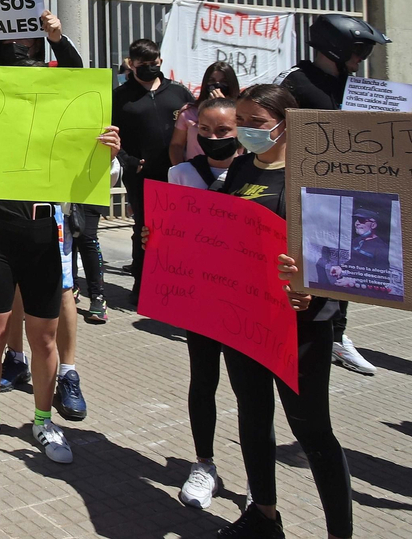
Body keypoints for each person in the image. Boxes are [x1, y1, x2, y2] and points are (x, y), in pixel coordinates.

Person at [0, 11, 121, 463]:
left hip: (43, 234)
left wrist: (107, 150)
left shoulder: (58, 117)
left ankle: (42, 421)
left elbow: (83, 92)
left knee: (45, 339)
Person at [214, 85, 353, 539]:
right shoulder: (238, 169)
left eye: (256, 121)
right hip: (244, 319)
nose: (247, 131)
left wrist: (311, 288)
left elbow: (343, 250)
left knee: (312, 431)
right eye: (242, 121)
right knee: (253, 419)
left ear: (287, 122)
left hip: (301, 327)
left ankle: (339, 533)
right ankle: (264, 516)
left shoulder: (314, 173)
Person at [280, 13, 390, 377]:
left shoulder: (358, 89)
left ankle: (337, 339)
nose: (361, 58)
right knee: (306, 268)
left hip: (350, 196)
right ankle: (299, 334)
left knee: (345, 270)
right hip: (304, 196)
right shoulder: (295, 83)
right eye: (358, 49)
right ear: (336, 46)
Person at [164, 96, 243, 510]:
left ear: (241, 131)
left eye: (223, 131)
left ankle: (258, 483)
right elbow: (170, 233)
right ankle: (204, 463)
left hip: (249, 301)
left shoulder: (258, 175)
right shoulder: (181, 173)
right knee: (204, 380)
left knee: (252, 394)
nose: (213, 138)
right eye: (205, 131)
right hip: (202, 297)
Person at [113, 38, 195, 306]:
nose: (150, 68)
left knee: (179, 230)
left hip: (176, 174)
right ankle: (142, 283)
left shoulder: (178, 93)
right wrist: (130, 161)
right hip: (142, 175)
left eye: (154, 63)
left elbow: (195, 124)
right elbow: (111, 133)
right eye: (143, 64)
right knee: (145, 229)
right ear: (131, 64)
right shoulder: (121, 97)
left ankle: (176, 282)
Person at [169, 62, 241, 165]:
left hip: (229, 171)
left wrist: (222, 106)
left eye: (223, 82)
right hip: (195, 171)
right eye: (212, 81)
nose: (217, 85)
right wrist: (179, 169)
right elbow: (176, 145)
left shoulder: (240, 113)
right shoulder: (189, 111)